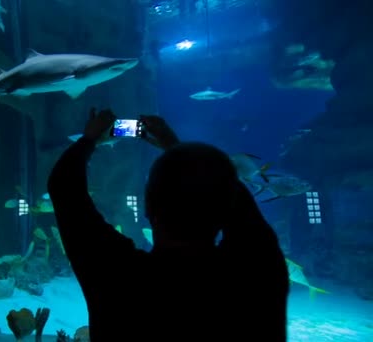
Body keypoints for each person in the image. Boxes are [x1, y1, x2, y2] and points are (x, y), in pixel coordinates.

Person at [47, 108, 289, 341]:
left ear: (148, 208)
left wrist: (89, 139)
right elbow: (237, 205)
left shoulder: (119, 276)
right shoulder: (259, 276)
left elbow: (63, 188)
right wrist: (177, 150)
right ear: (224, 208)